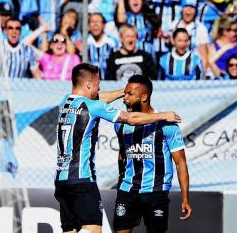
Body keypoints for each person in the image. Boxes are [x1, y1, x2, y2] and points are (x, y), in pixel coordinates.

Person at [54, 63, 181, 233]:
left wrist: (126, 91)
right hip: (82, 180)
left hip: (61, 180)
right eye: (98, 85)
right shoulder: (94, 106)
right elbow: (131, 119)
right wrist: (163, 115)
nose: (99, 89)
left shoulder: (65, 102)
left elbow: (98, 98)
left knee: (70, 229)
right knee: (92, 228)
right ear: (89, 84)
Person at [113, 74, 192, 233]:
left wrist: (185, 198)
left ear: (144, 97)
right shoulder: (120, 124)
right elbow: (123, 153)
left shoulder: (167, 125)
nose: (124, 98)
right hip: (128, 190)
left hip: (156, 191)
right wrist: (122, 176)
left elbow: (180, 163)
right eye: (125, 93)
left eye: (129, 94)